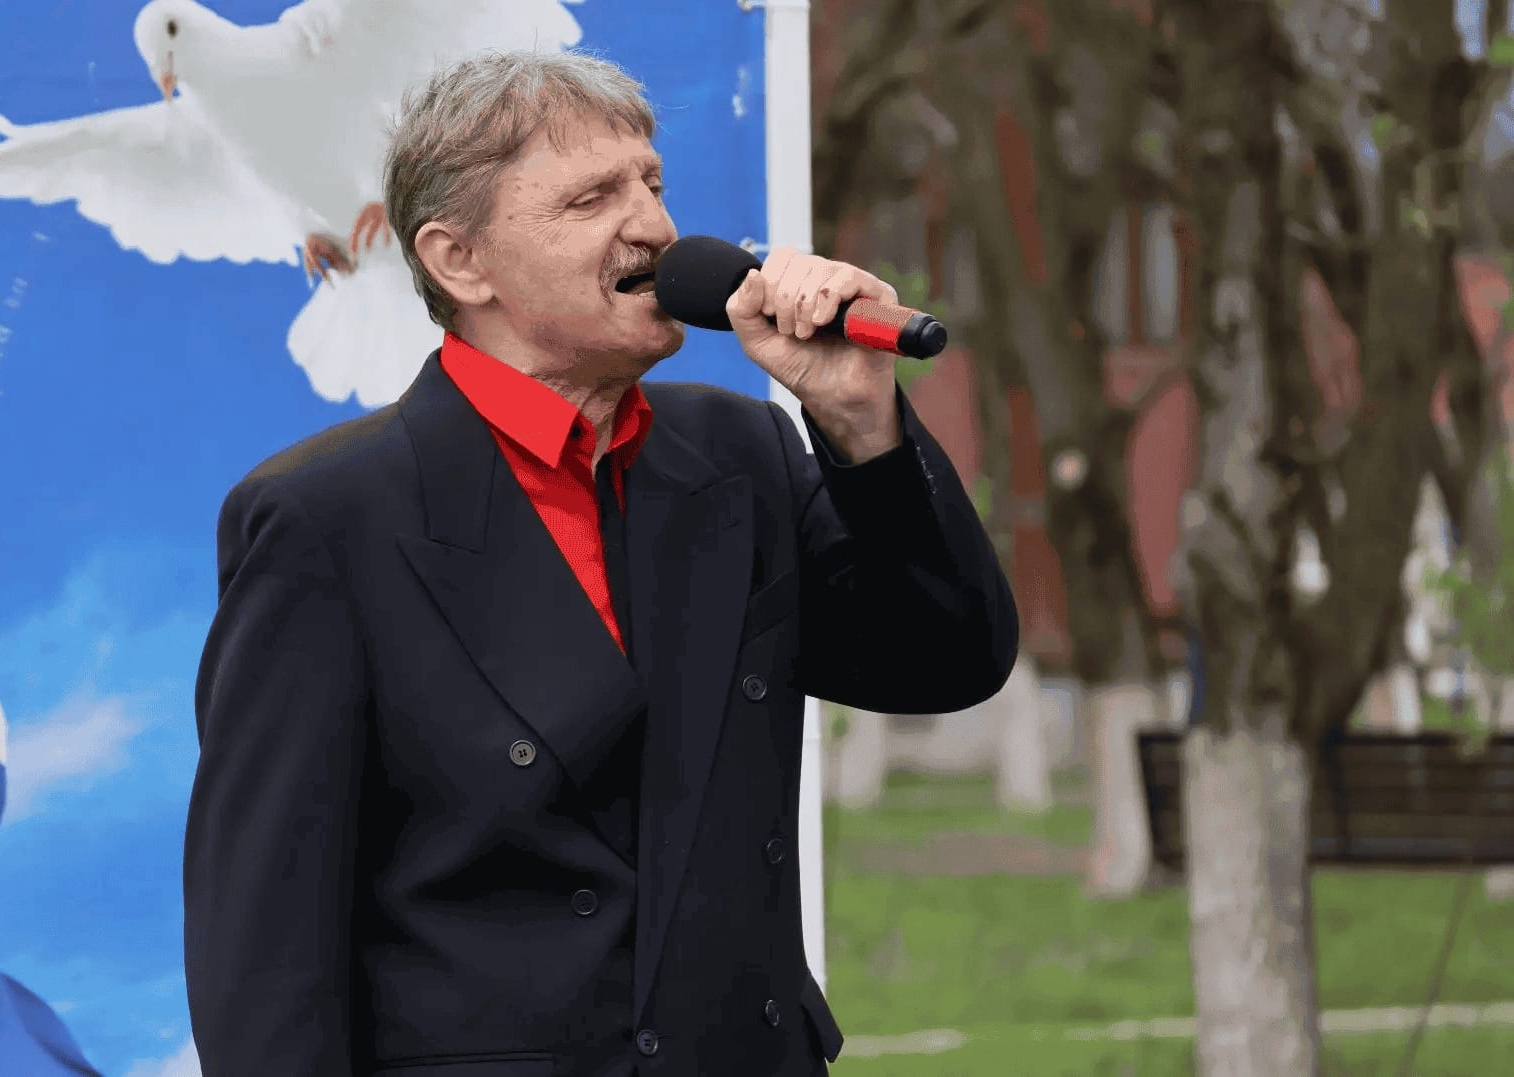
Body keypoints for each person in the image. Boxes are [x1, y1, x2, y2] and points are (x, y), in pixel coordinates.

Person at [184, 49, 1017, 1077]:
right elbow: (265, 956)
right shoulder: (325, 520)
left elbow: (947, 658)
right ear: (461, 262)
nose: (656, 227)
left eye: (652, 184)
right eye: (592, 198)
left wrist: (859, 421)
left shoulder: (741, 455)